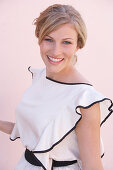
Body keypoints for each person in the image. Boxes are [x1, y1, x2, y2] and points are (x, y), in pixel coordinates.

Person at [0, 4, 113, 170]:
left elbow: (93, 166)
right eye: (48, 39)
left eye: (66, 42)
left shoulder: (84, 101)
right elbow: (34, 132)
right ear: (39, 38)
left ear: (78, 45)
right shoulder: (40, 77)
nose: (55, 51)